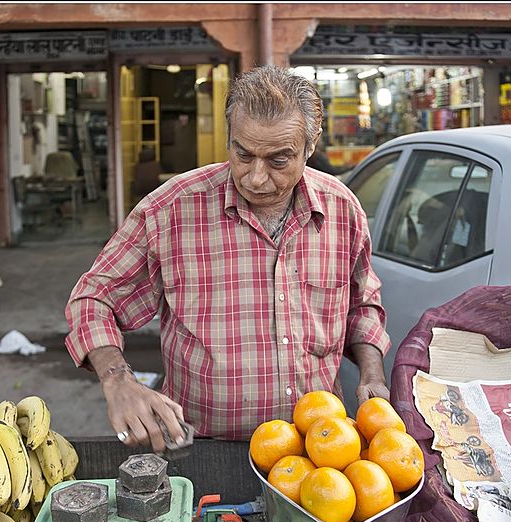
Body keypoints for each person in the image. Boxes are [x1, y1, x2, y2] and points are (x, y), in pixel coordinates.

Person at [65, 65, 390, 453]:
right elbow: (94, 298)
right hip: (202, 447)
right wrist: (118, 381)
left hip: (317, 450)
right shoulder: (170, 210)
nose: (255, 177)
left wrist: (372, 374)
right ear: (229, 138)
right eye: (243, 154)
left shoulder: (343, 210)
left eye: (278, 160)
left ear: (310, 145)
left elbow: (363, 303)